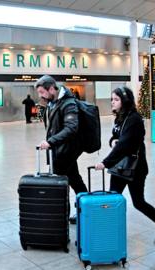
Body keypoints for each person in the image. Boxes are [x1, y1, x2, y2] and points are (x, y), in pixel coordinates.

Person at [94, 87, 155, 244]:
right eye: (111, 99)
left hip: (135, 168)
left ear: (125, 101)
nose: (112, 102)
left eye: (116, 99)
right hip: (120, 166)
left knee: (138, 202)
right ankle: (109, 233)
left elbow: (125, 144)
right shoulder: (120, 117)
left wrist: (105, 162)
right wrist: (112, 142)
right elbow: (116, 138)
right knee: (112, 198)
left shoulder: (134, 119)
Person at [35, 75, 87, 224]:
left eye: (42, 92)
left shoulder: (68, 104)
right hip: (61, 152)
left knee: (62, 186)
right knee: (76, 181)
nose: (41, 96)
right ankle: (85, 210)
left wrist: (51, 142)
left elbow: (71, 127)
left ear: (52, 88)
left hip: (65, 152)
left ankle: (63, 218)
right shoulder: (53, 102)